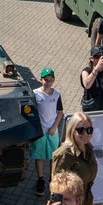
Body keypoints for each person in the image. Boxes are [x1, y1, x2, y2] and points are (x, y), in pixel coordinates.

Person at [52, 112, 99, 205]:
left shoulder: (88, 148)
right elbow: (55, 188)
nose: (85, 134)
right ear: (72, 130)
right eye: (81, 130)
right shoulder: (64, 154)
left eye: (89, 130)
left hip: (86, 204)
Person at [30, 68, 63, 196]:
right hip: (40, 132)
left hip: (52, 131)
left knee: (53, 157)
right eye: (46, 80)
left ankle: (52, 179)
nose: (48, 82)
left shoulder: (57, 94)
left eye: (50, 80)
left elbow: (60, 112)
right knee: (39, 156)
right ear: (40, 80)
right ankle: (40, 180)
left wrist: (55, 126)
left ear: (53, 80)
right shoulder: (35, 94)